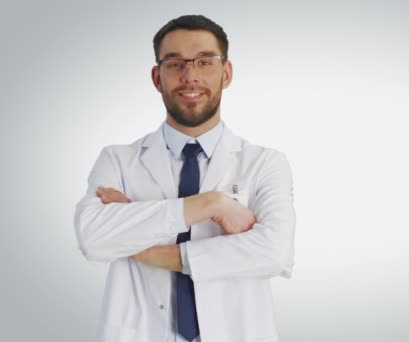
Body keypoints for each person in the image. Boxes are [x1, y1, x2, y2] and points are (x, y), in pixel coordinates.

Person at [74, 14, 296, 342]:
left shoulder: (264, 163)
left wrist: (146, 249)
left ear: (227, 72)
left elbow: (274, 252)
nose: (190, 76)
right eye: (175, 64)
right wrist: (210, 204)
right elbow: (92, 237)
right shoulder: (118, 160)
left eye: (205, 62)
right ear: (157, 77)